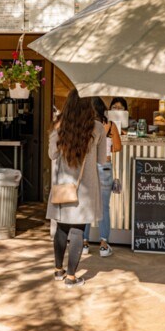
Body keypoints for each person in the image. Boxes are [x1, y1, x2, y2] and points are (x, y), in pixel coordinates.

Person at [47, 89, 107, 288]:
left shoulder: (59, 126)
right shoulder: (98, 128)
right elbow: (100, 160)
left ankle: (58, 270)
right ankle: (71, 277)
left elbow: (52, 155)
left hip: (63, 185)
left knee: (62, 227)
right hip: (85, 188)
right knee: (77, 230)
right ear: (88, 106)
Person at [83, 97, 122, 257]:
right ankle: (104, 245)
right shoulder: (110, 125)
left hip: (88, 168)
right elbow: (118, 147)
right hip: (105, 167)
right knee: (104, 207)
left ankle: (84, 244)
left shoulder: (84, 125)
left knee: (86, 205)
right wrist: (107, 146)